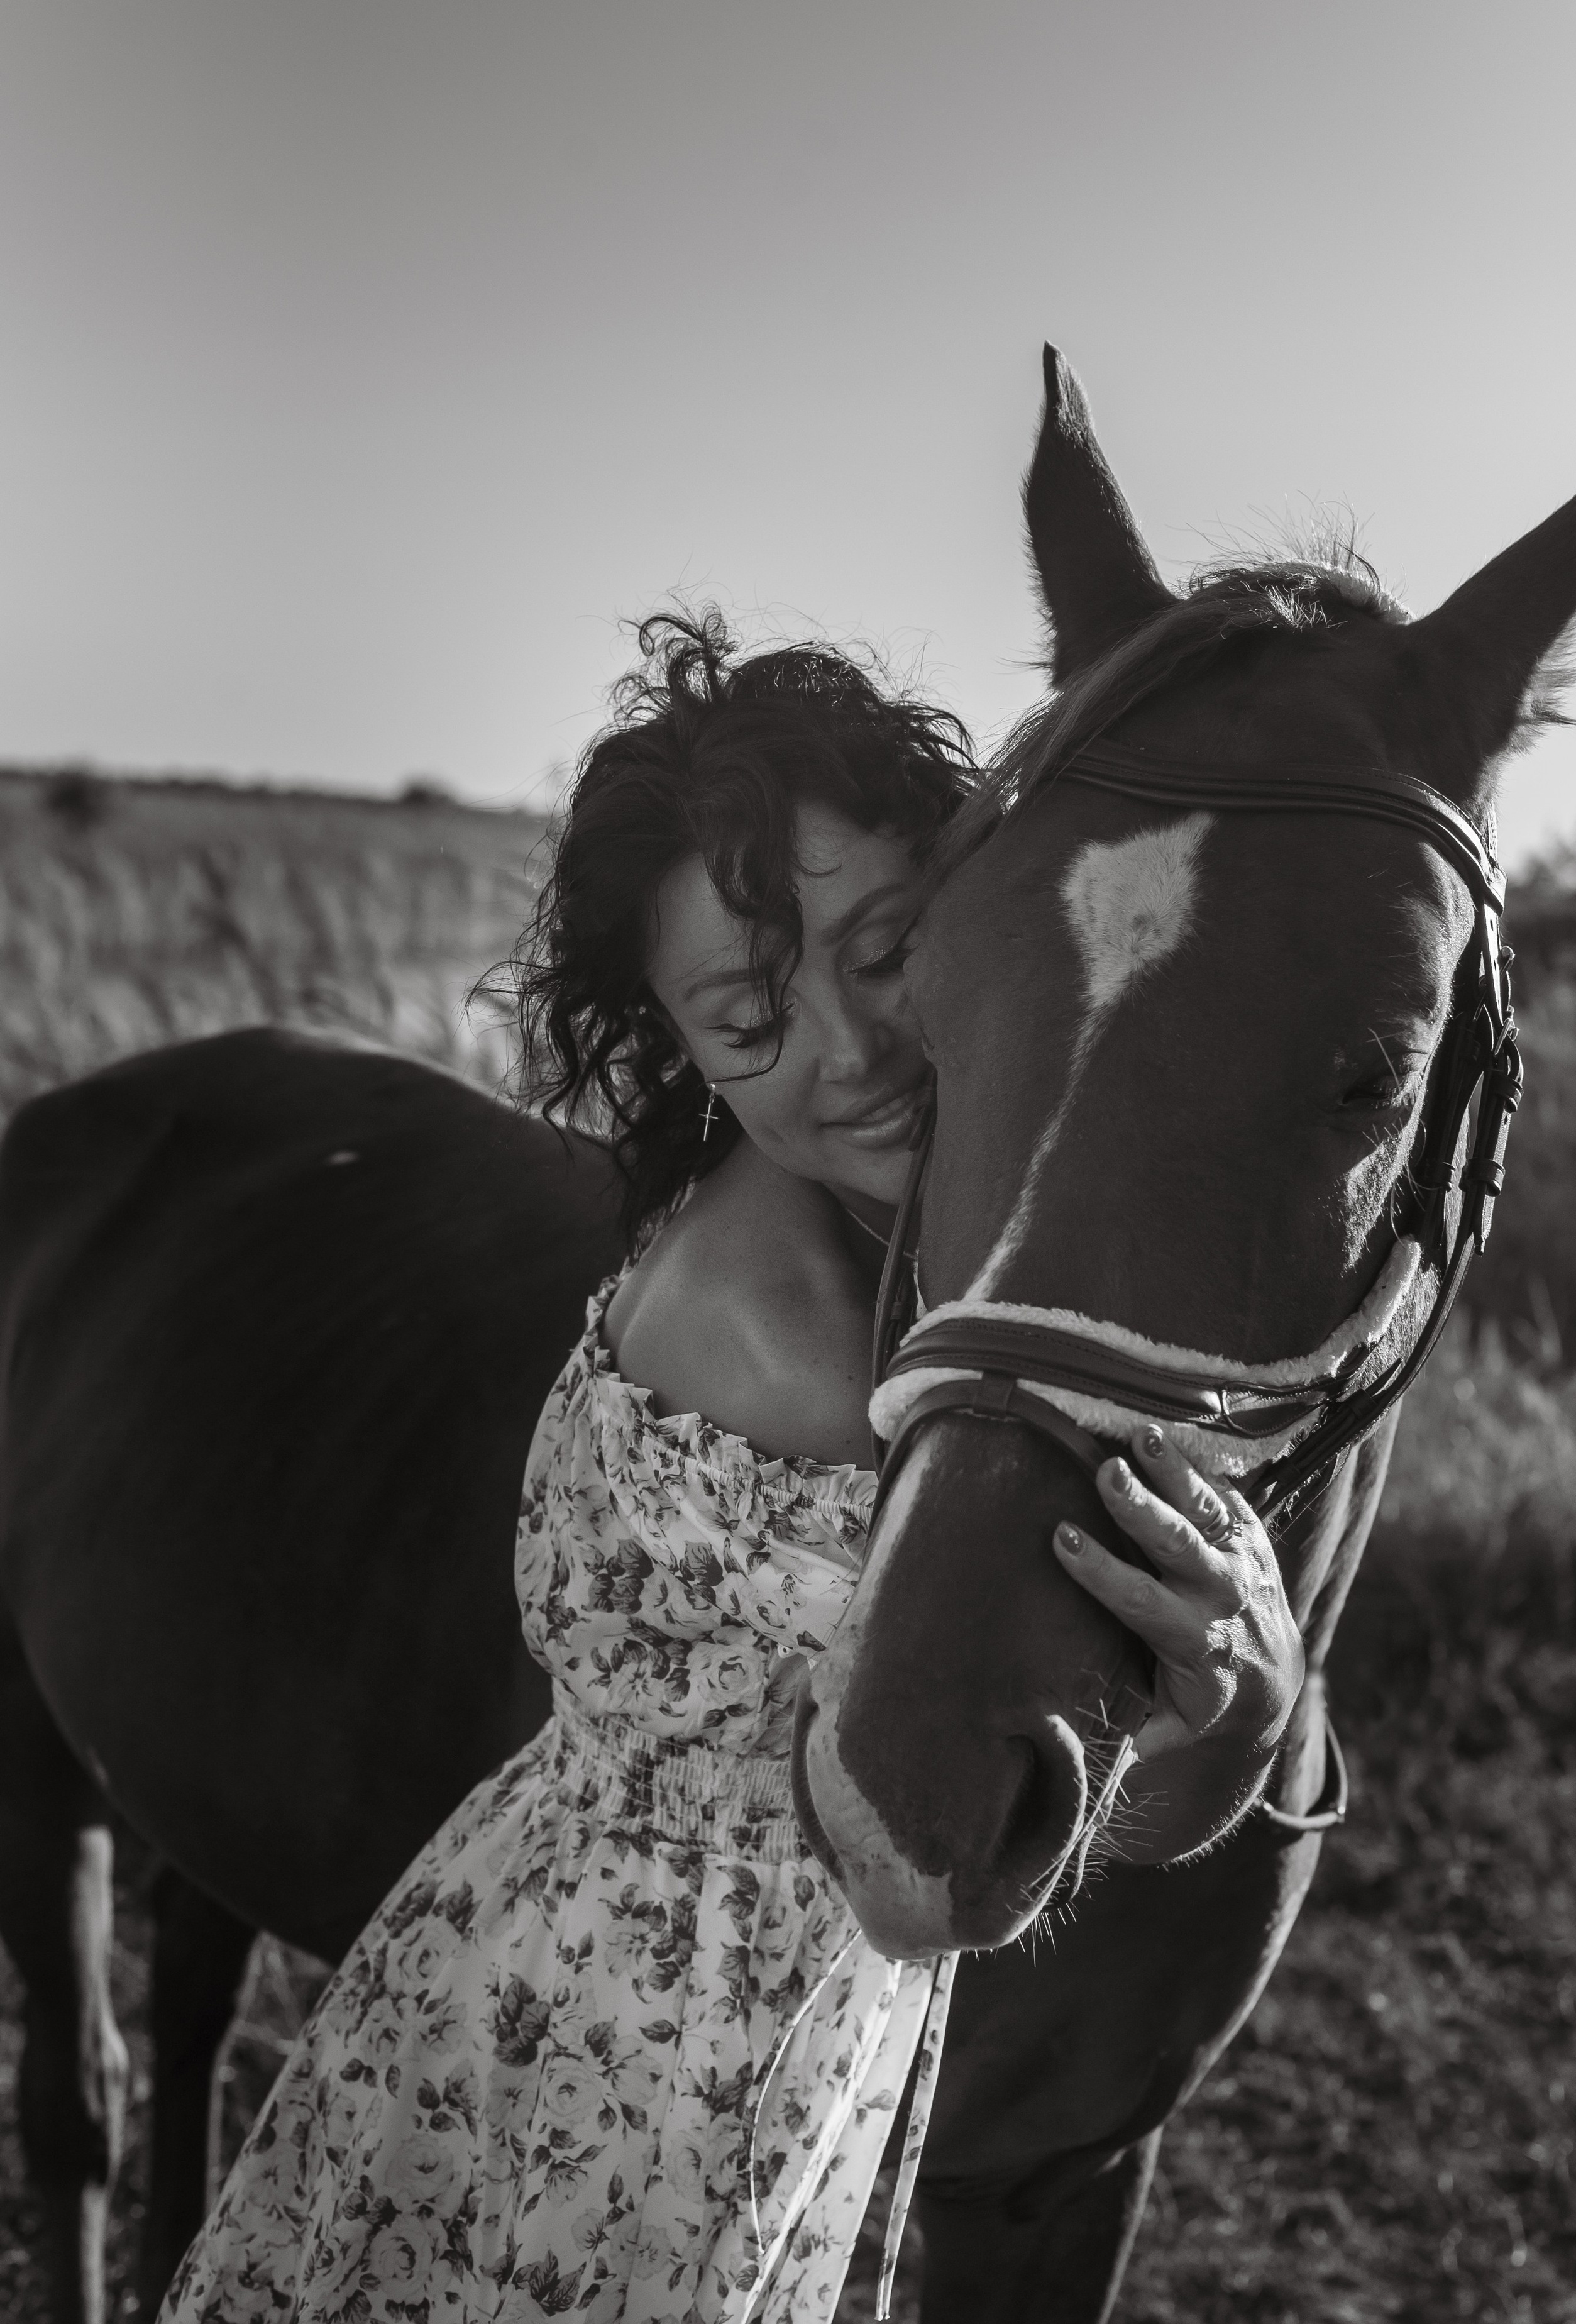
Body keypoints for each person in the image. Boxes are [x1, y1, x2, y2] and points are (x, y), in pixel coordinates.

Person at [159, 612, 1303, 2324]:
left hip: (577, 1988)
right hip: (637, 2075)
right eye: (749, 1013)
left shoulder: (890, 1242)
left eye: (888, 945)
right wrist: (1250, 1694)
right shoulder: (808, 1339)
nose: (849, 1045)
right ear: (679, 1048)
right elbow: (948, 1869)